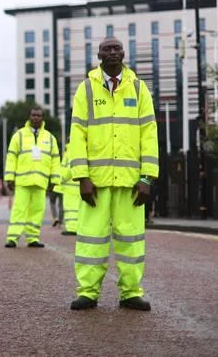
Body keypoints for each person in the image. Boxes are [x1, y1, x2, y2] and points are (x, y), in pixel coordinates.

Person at [68, 37, 158, 312]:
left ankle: (131, 293)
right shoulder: (85, 89)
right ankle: (88, 292)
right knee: (90, 238)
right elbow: (78, 133)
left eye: (116, 48)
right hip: (95, 180)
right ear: (98, 55)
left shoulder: (140, 89)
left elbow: (149, 134)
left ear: (123, 54)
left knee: (131, 239)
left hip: (131, 181)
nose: (112, 52)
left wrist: (147, 178)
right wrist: (82, 176)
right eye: (106, 49)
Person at [3, 106, 61, 249]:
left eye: (38, 115)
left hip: (41, 181)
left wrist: (54, 180)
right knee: (19, 209)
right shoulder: (19, 135)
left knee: (37, 210)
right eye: (33, 115)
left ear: (42, 118)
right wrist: (9, 177)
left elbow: (55, 160)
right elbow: (11, 157)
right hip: (22, 181)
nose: (36, 117)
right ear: (29, 117)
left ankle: (33, 237)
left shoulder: (50, 138)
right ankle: (12, 237)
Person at [56, 142, 80, 236]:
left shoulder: (71, 152)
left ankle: (72, 228)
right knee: (74, 208)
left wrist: (62, 179)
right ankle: (74, 227)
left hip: (70, 185)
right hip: (72, 185)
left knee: (71, 208)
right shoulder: (70, 151)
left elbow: (71, 168)